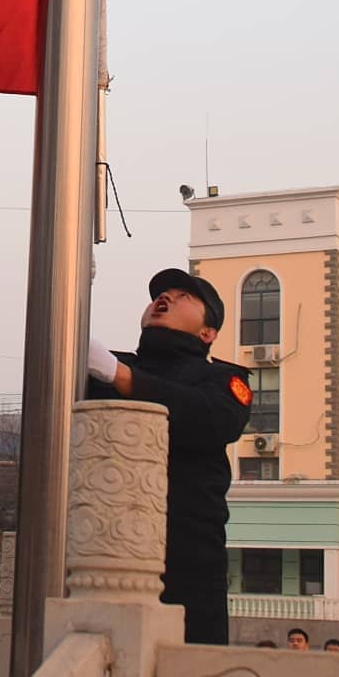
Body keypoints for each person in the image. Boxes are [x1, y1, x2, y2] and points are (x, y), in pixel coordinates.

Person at [86, 268, 254, 645]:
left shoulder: (223, 381)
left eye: (183, 297)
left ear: (208, 333)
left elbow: (210, 417)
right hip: (101, 548)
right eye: (161, 295)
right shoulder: (104, 368)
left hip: (187, 557)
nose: (164, 299)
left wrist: (122, 378)